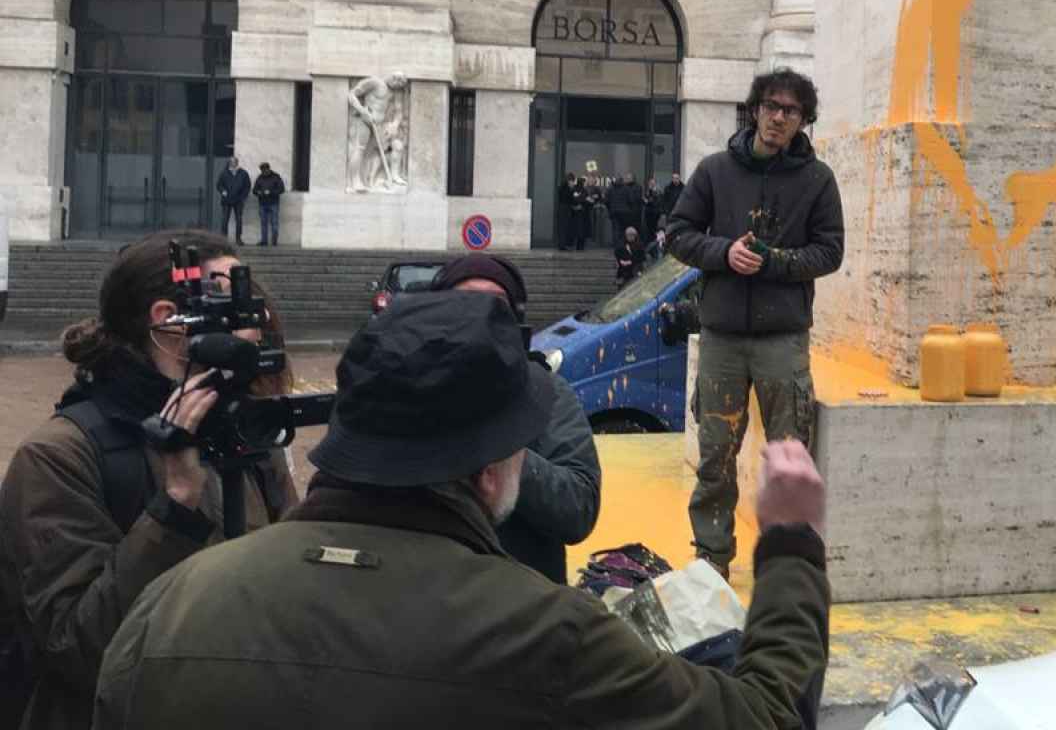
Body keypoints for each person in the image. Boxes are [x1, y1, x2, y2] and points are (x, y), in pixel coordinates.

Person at [94, 292, 831, 729]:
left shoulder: (173, 603)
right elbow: (764, 717)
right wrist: (790, 543)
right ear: (489, 471)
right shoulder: (544, 634)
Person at [0, 230, 297, 729]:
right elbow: (78, 646)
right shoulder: (60, 456)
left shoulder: (249, 436)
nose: (259, 317)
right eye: (234, 296)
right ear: (168, 320)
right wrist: (176, 506)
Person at [665, 68, 844, 578]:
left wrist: (775, 262)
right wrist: (723, 253)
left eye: (790, 111)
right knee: (716, 455)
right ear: (755, 110)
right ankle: (711, 560)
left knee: (790, 458)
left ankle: (785, 564)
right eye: (770, 106)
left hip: (783, 339)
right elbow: (677, 233)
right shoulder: (715, 171)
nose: (778, 118)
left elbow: (829, 252)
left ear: (803, 121)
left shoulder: (818, 180)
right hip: (723, 336)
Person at [427, 254, 601, 582]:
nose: (479, 317)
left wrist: (502, 447)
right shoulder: (406, 385)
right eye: (464, 302)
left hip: (524, 600)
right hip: (430, 595)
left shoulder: (545, 391)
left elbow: (579, 509)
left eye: (495, 305)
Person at [216, 156, 250, 245]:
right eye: (231, 162)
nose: (232, 163)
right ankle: (224, 240)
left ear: (237, 163)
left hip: (238, 200)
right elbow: (219, 185)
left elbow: (247, 186)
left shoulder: (243, 173)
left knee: (239, 219)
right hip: (226, 200)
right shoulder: (224, 173)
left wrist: (243, 197)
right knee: (225, 220)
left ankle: (238, 239)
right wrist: (223, 191)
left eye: (234, 162)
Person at [252, 161, 285, 247]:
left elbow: (281, 189)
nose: (264, 172)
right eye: (262, 171)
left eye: (265, 170)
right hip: (262, 203)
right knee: (263, 223)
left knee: (274, 222)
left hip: (273, 203)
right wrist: (259, 192)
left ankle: (274, 240)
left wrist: (270, 192)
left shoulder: (276, 177)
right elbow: (254, 190)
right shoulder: (260, 177)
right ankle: (264, 241)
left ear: (268, 169)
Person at [607, 172, 642, 240]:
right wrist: (629, 208)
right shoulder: (626, 188)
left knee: (615, 229)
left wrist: (610, 208)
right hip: (625, 212)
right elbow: (631, 200)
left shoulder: (610, 189)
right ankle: (621, 244)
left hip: (614, 212)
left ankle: (616, 245)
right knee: (622, 229)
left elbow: (606, 200)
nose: (626, 180)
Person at [555, 172, 577, 251]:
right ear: (569, 181)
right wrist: (573, 193)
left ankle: (562, 244)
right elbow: (568, 199)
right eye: (572, 181)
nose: (573, 183)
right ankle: (562, 245)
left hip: (563, 209)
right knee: (564, 227)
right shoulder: (566, 189)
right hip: (565, 210)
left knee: (563, 228)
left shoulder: (562, 187)